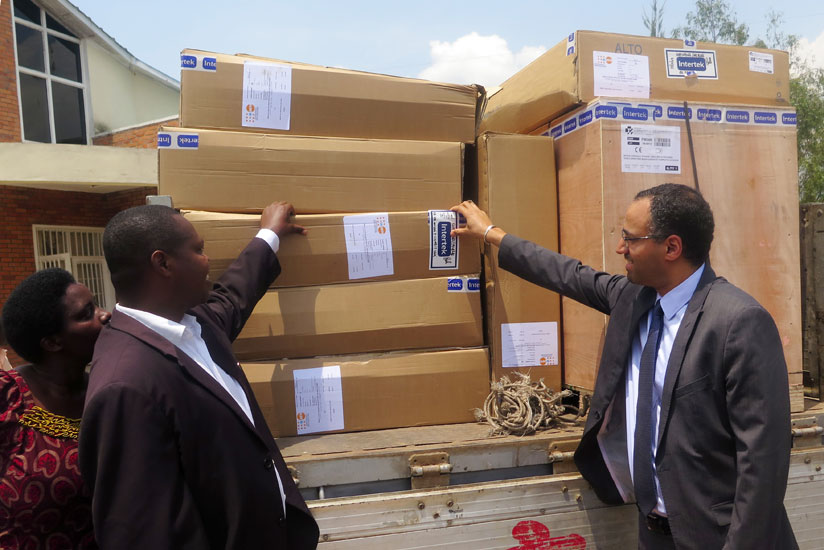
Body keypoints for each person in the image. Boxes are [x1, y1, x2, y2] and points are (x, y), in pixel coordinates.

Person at [451, 184, 796, 550]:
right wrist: (491, 234)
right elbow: (568, 274)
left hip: (717, 537)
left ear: (672, 247)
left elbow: (764, 464)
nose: (621, 249)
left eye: (630, 239)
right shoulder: (635, 298)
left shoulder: (737, 322)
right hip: (653, 532)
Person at [78, 202, 319, 549]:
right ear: (163, 263)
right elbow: (146, 533)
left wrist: (269, 236)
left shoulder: (194, 326)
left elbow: (234, 294)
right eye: (199, 250)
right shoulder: (126, 385)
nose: (207, 260)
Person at [1, 268, 111, 549]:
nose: (104, 314)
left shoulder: (111, 392)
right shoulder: (7, 399)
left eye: (96, 304)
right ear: (52, 342)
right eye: (86, 314)